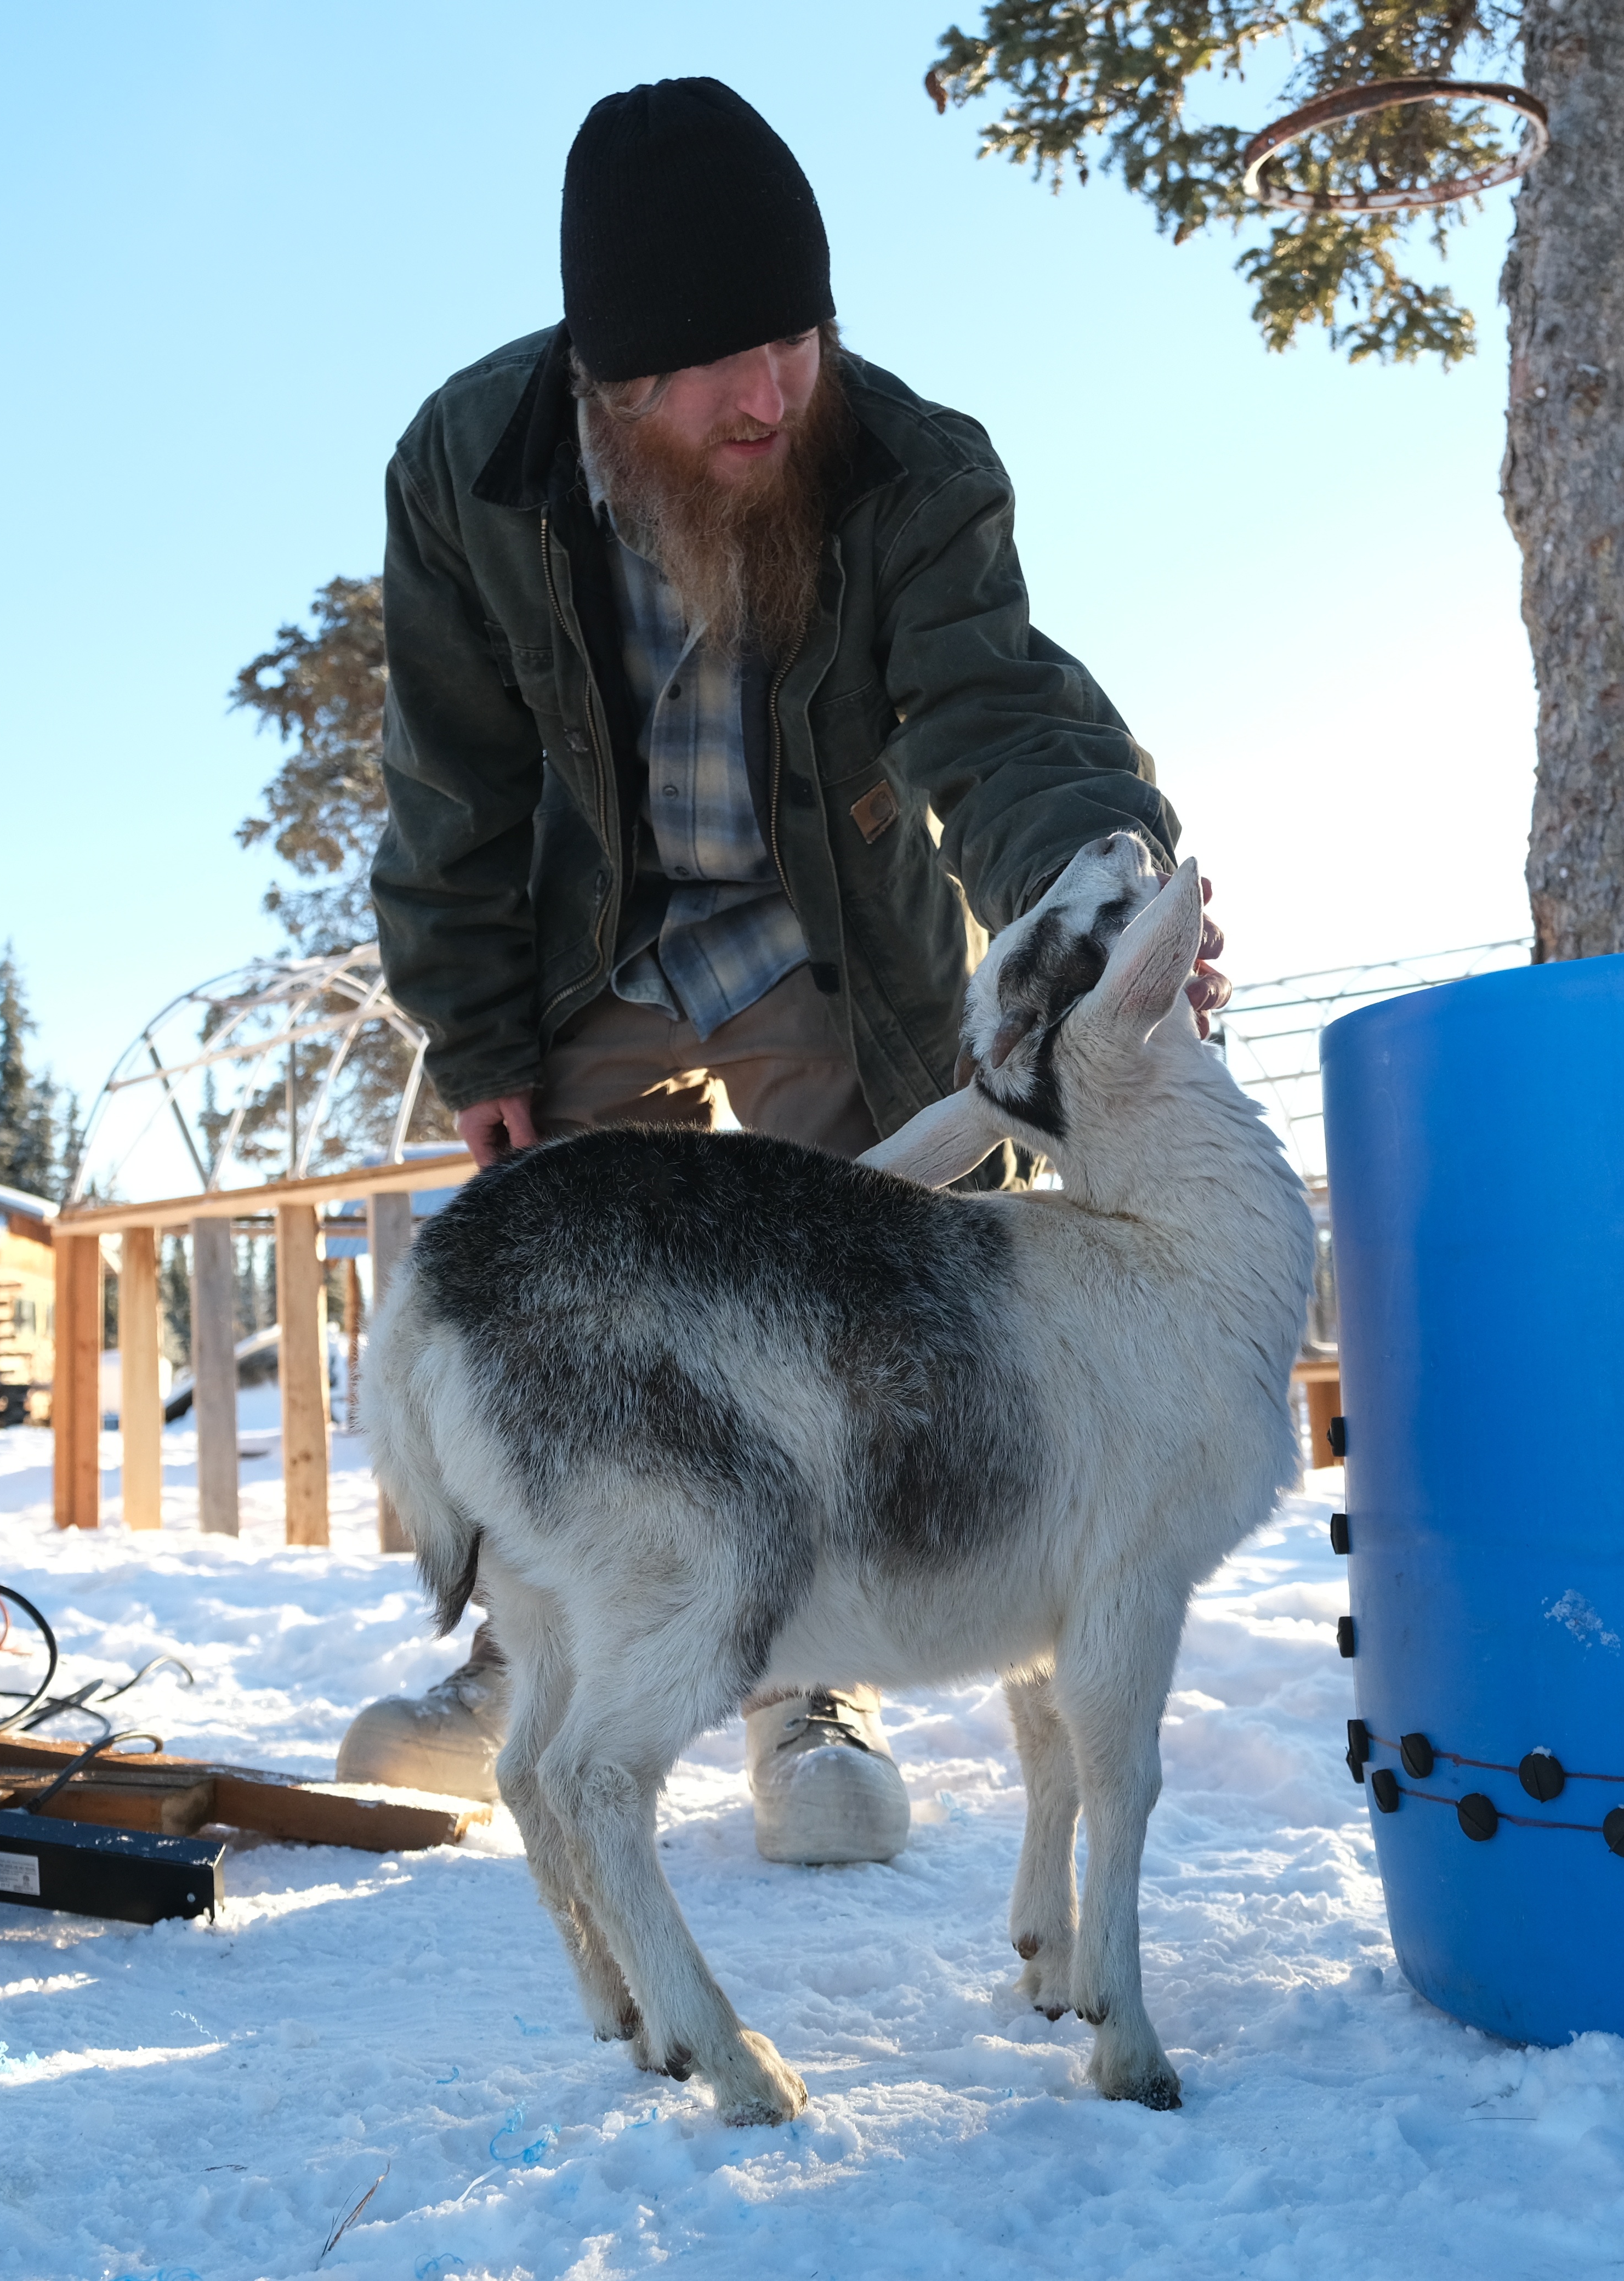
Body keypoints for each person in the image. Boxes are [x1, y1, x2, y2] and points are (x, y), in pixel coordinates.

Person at [338, 77, 1226, 1864]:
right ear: (613, 381)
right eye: (720, 362)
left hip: (827, 934)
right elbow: (453, 771)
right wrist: (475, 1024)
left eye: (799, 334)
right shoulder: (470, 467)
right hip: (595, 936)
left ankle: (811, 1679)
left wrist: (1098, 878)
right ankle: (542, 1650)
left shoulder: (907, 463)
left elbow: (997, 709)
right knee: (568, 1303)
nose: (773, 391)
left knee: (845, 1290)